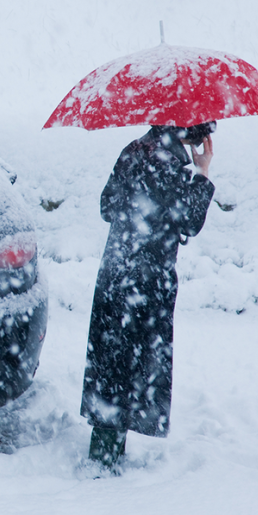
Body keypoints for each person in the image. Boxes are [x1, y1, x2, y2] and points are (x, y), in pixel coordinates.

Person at [81, 121, 216, 472]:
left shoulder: (134, 149)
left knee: (112, 363)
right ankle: (105, 461)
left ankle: (105, 450)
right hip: (147, 281)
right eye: (200, 129)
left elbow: (107, 207)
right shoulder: (168, 162)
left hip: (115, 274)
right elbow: (188, 221)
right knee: (134, 365)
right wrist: (201, 174)